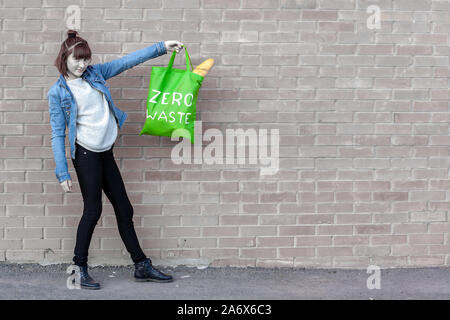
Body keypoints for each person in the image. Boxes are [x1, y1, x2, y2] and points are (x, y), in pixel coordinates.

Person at [48, 29, 183, 290]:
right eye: (77, 59)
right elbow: (57, 134)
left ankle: (141, 265)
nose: (82, 65)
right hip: (86, 154)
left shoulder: (95, 74)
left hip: (105, 152)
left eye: (86, 59)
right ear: (64, 57)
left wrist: (161, 47)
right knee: (93, 210)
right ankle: (78, 270)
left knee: (124, 209)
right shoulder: (59, 93)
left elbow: (126, 61)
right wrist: (62, 173)